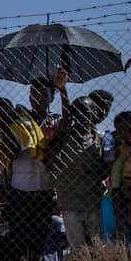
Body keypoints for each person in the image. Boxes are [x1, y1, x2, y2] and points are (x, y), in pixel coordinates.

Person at [0, 97, 53, 261]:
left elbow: (12, 150)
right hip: (32, 185)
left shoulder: (18, 124)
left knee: (29, 232)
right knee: (29, 232)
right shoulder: (18, 125)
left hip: (28, 186)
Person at [45, 96, 106, 247]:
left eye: (86, 112)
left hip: (93, 200)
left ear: (94, 114)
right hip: (70, 200)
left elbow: (105, 168)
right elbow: (49, 162)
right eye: (77, 113)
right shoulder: (63, 138)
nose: (82, 116)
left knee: (97, 243)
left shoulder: (100, 139)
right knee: (77, 246)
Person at [106, 111, 131, 240]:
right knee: (123, 240)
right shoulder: (120, 151)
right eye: (120, 131)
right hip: (119, 199)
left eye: (130, 129)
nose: (126, 134)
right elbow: (115, 184)